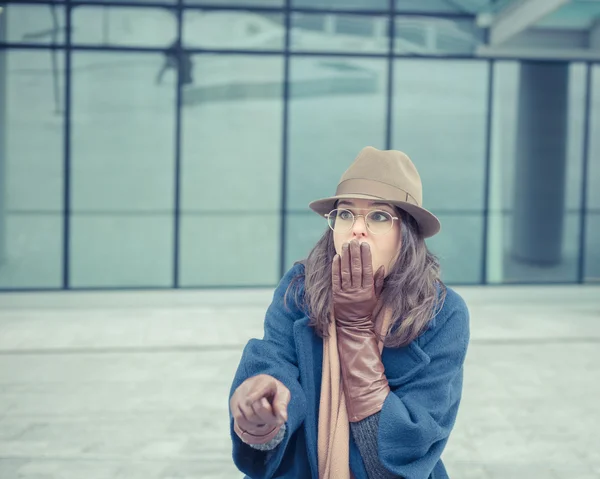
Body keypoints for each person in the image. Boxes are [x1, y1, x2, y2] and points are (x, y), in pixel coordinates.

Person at [228, 146, 470, 479]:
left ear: (407, 233)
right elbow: (275, 360)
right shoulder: (299, 287)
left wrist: (356, 331)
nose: (356, 228)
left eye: (379, 216)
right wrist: (262, 412)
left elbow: (408, 451)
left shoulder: (443, 313)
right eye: (345, 214)